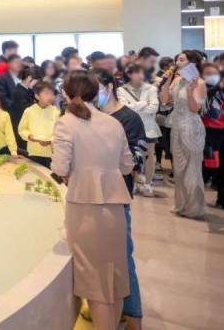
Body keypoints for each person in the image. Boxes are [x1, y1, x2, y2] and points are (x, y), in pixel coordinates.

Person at [52, 70, 133, 330]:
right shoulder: (113, 122)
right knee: (114, 276)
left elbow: (60, 166)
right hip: (115, 207)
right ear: (96, 92)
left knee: (94, 280)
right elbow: (127, 165)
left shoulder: (65, 123)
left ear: (65, 93)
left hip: (84, 207)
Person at [90, 68, 146, 329]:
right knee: (99, 258)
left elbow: (136, 160)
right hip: (92, 197)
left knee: (124, 256)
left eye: (96, 89)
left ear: (109, 87)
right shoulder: (91, 117)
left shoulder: (129, 119)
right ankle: (112, 307)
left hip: (116, 196)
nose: (92, 96)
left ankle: (134, 316)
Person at [160, 50, 207, 219]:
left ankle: (194, 208)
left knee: (192, 168)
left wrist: (189, 92)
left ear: (192, 63)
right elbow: (164, 100)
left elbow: (195, 109)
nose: (177, 63)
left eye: (181, 60)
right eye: (177, 60)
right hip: (176, 126)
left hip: (191, 127)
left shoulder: (199, 82)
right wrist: (167, 81)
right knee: (179, 169)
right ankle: (182, 204)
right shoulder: (177, 79)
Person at [117, 63, 162, 197]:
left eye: (142, 72)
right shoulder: (121, 90)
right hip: (130, 127)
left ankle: (148, 184)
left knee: (149, 156)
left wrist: (134, 107)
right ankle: (134, 182)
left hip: (149, 128)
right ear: (129, 74)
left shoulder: (151, 89)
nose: (141, 75)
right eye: (137, 72)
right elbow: (124, 107)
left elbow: (154, 108)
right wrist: (143, 104)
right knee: (131, 156)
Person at [18, 81, 60, 168]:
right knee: (35, 173)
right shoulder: (29, 111)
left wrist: (51, 140)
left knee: (49, 174)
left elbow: (59, 133)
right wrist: (29, 136)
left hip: (50, 153)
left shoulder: (56, 112)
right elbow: (22, 129)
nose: (50, 97)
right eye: (46, 93)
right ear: (37, 96)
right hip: (33, 152)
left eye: (52, 94)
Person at [201, 63, 224, 206]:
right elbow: (205, 98)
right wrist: (218, 87)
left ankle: (221, 199)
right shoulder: (205, 86)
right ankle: (195, 198)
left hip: (221, 131)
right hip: (209, 131)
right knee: (208, 165)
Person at [9, 66, 40, 153]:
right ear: (29, 78)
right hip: (19, 129)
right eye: (36, 82)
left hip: (23, 128)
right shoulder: (18, 92)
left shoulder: (26, 91)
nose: (36, 85)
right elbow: (27, 109)